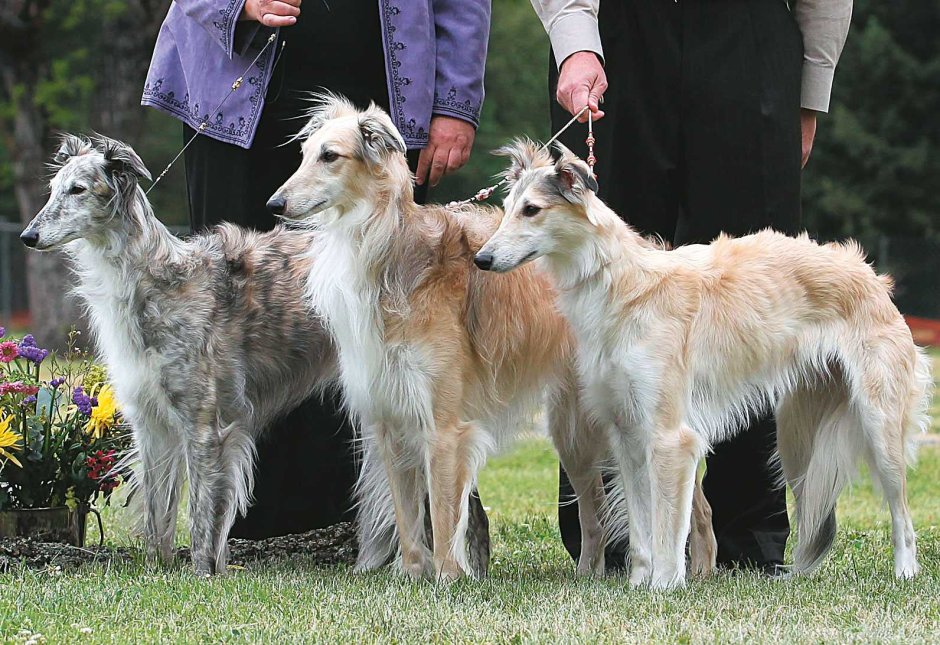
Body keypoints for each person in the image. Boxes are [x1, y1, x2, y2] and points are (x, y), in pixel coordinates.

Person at [142, 0, 491, 540]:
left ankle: (385, 526)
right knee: (234, 321)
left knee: (387, 323)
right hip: (235, 97)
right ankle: (239, 525)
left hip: (384, 105)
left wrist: (455, 103)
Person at [530, 0, 852, 572]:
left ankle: (748, 531)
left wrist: (811, 88)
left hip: (750, 42)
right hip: (616, 42)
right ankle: (614, 537)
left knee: (750, 297)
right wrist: (575, 40)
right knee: (604, 289)